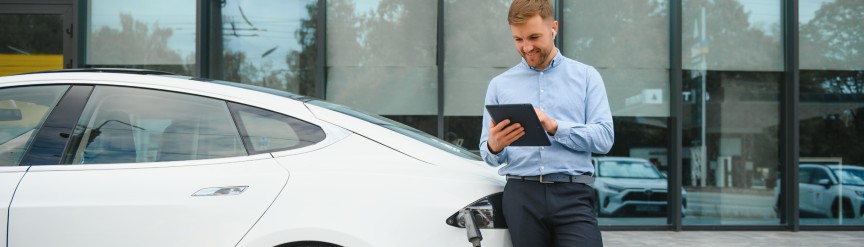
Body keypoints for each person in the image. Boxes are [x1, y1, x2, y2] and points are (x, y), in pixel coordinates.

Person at [478, 0, 614, 246]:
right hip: (521, 196)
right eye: (518, 40)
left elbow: (604, 138)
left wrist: (555, 127)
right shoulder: (499, 85)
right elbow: (488, 155)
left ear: (554, 28)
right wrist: (494, 146)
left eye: (534, 37)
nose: (526, 47)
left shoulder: (586, 77)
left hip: (572, 195)